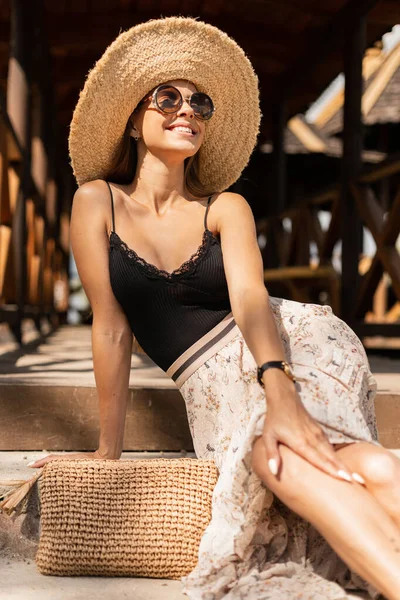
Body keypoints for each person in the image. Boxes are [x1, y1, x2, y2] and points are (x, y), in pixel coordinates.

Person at [28, 16, 400, 600]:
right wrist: (108, 447)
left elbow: (251, 299)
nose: (188, 111)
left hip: (288, 346)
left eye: (201, 102)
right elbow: (110, 326)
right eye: (167, 97)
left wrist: (279, 391)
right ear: (132, 118)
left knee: (305, 464)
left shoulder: (226, 207)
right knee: (355, 469)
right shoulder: (95, 201)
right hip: (210, 384)